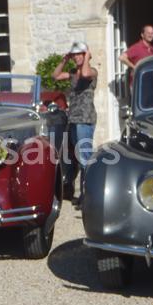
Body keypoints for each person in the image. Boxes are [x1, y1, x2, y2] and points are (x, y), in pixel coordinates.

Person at [53, 41, 97, 209]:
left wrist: (87, 56)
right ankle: (81, 194)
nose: (76, 57)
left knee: (85, 158)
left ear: (86, 55)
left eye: (80, 54)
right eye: (75, 55)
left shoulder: (92, 71)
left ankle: (88, 197)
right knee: (76, 158)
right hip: (73, 119)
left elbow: (85, 73)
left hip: (85, 119)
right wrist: (64, 60)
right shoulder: (72, 73)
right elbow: (56, 76)